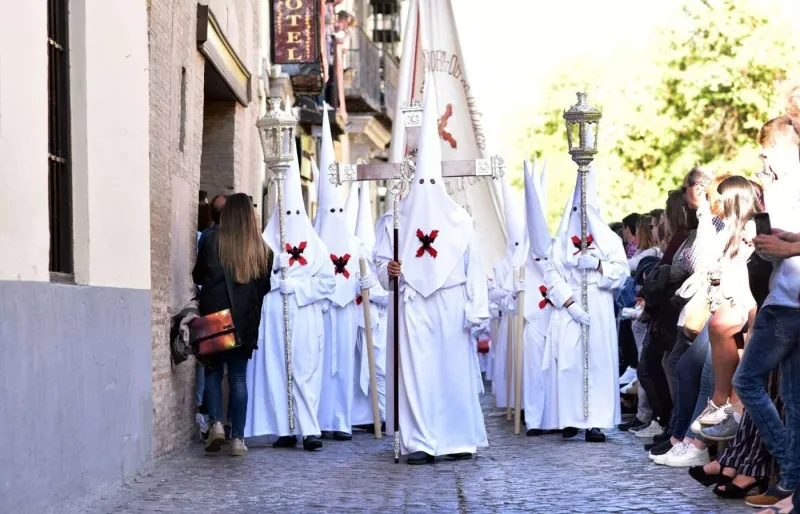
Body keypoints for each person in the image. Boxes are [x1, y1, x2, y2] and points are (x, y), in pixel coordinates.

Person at [375, 80, 489, 465]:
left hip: (452, 305)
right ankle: (420, 440)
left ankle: (456, 439)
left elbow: (474, 268)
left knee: (450, 373)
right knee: (418, 375)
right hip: (411, 304)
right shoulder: (394, 216)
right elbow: (379, 261)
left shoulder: (460, 220)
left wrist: (476, 310)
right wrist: (386, 269)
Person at [244, 152, 336, 452]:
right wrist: (272, 275)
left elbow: (327, 282)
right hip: (274, 316)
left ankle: (310, 430)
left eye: (297, 214)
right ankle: (283, 428)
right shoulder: (267, 241)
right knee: (276, 369)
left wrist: (295, 285)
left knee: (304, 370)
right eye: (287, 214)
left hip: (305, 315)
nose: (292, 221)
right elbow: (251, 279)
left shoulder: (317, 247)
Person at [732, 115, 800, 508]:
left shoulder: (785, 184)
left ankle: (790, 466)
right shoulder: (781, 186)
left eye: (764, 153)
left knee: (748, 382)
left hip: (787, 301)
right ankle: (789, 482)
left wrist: (783, 245)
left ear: (775, 147)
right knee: (792, 397)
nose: (764, 162)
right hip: (786, 295)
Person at [544, 166, 629, 442]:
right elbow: (551, 275)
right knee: (569, 363)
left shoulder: (610, 241)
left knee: (599, 362)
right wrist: (569, 304)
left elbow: (623, 272)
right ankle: (570, 418)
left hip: (599, 306)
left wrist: (599, 264)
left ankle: (595, 422)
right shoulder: (559, 244)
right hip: (571, 309)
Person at [192, 193, 272, 457]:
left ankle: (215, 423)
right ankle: (237, 437)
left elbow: (199, 273)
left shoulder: (211, 238)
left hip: (215, 316)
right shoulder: (262, 249)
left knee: (213, 372)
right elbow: (264, 288)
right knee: (238, 378)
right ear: (251, 215)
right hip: (244, 321)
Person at [315, 110, 375, 441]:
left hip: (348, 315)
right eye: (330, 210)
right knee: (321, 369)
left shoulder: (355, 245)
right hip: (321, 315)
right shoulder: (310, 243)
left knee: (347, 370)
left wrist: (366, 284)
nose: (336, 215)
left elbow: (374, 282)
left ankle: (342, 420)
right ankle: (321, 420)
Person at [521, 159, 557, 436]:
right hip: (533, 323)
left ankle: (555, 417)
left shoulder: (557, 256)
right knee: (534, 372)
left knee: (555, 371)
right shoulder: (523, 262)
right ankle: (534, 418)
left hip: (555, 321)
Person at [489, 167, 529, 410]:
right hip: (510, 322)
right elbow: (493, 294)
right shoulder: (501, 265)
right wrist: (511, 294)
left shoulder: (534, 261)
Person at [351, 183, 389, 430]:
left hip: (382, 324)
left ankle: (384, 415)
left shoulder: (383, 267)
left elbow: (390, 293)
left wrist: (372, 291)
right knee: (360, 369)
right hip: (359, 324)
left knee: (381, 370)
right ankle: (364, 416)